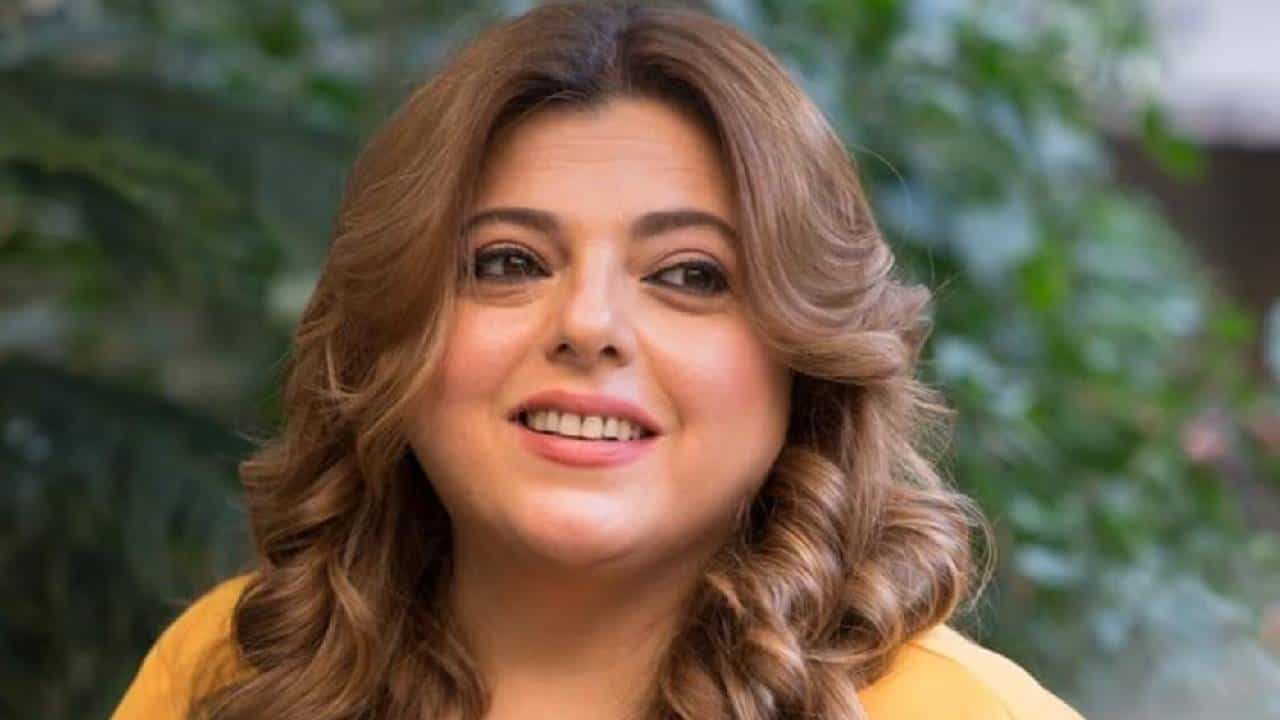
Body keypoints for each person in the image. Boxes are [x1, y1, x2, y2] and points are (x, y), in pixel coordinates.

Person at [111, 2, 1086, 719]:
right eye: (507, 263)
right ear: (389, 334)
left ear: (807, 362)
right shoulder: (233, 671)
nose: (588, 323)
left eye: (690, 275)